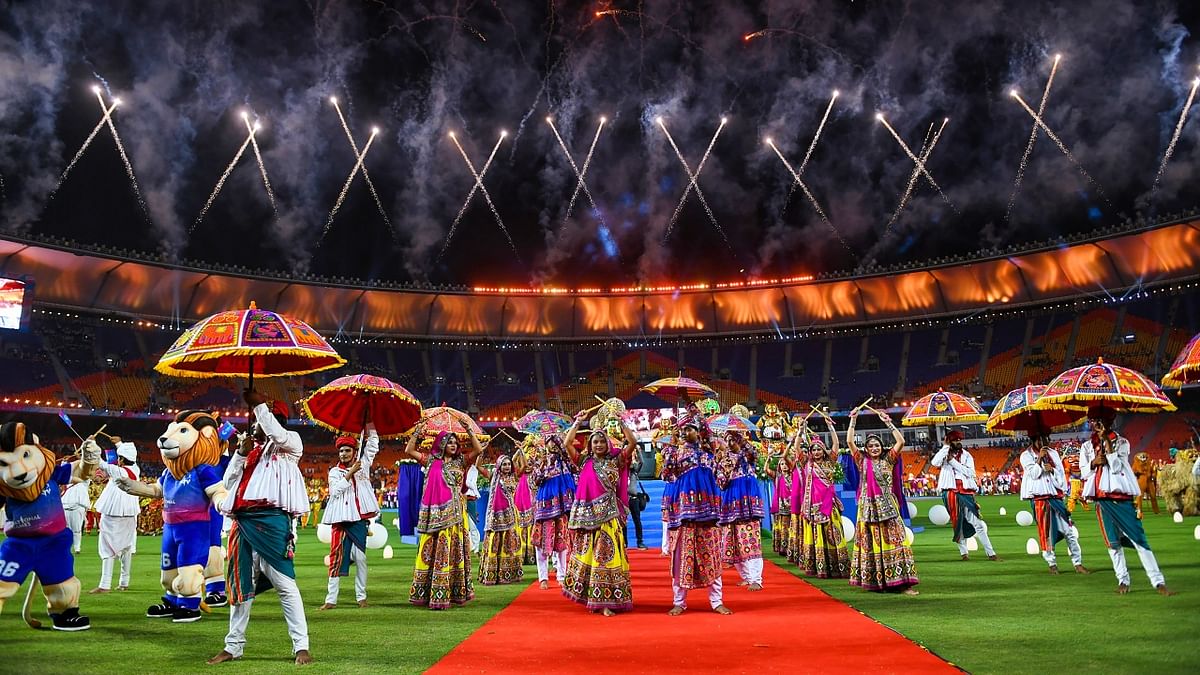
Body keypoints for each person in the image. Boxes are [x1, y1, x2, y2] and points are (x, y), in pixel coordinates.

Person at [208, 392, 311, 666]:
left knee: (285, 585)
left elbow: (276, 434)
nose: (253, 426)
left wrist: (259, 407)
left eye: (257, 422)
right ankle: (233, 646)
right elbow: (229, 482)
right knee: (242, 587)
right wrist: (240, 454)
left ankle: (301, 646)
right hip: (243, 524)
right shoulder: (251, 452)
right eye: (253, 422)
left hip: (272, 522)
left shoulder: (290, 444)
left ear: (271, 420)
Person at [1080, 408, 1173, 595]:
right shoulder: (1087, 447)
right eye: (1093, 421)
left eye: (1100, 421)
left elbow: (1115, 467)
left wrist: (1106, 441)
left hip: (1121, 498)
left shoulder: (1122, 442)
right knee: (1113, 544)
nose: (1096, 425)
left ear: (1109, 422)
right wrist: (1093, 463)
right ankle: (1123, 580)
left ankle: (1158, 581)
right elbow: (1084, 472)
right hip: (1101, 499)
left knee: (1139, 539)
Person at [561, 412, 637, 615]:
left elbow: (633, 442)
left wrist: (622, 422)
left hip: (609, 517)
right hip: (587, 519)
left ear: (608, 444)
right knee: (589, 557)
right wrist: (578, 422)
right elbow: (568, 443)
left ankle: (605, 601)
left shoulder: (616, 460)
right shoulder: (583, 461)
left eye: (602, 441)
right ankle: (592, 598)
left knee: (606, 557)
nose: (599, 445)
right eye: (595, 442)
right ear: (590, 445)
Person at [662, 404, 732, 616]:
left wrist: (690, 406)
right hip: (683, 514)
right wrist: (672, 444)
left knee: (710, 556)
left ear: (698, 431)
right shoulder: (674, 453)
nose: (685, 433)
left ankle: (716, 601)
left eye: (689, 428)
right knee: (679, 560)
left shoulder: (708, 451)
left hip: (708, 515)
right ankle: (679, 602)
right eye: (683, 430)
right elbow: (666, 475)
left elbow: (708, 431)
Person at [404, 422, 484, 609]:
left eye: (455, 442)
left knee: (454, 551)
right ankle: (428, 592)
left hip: (456, 515)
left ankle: (454, 592)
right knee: (432, 552)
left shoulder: (461, 461)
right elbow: (409, 450)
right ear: (441, 444)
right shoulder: (431, 461)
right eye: (449, 442)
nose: (453, 445)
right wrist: (416, 432)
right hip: (434, 516)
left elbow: (478, 450)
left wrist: (469, 431)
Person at [846, 408, 918, 595]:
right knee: (872, 543)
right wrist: (853, 420)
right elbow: (849, 441)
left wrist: (887, 422)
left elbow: (901, 441)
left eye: (877, 445)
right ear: (866, 449)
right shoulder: (861, 461)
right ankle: (879, 582)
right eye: (871, 446)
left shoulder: (889, 460)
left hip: (888, 507)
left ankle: (901, 583)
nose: (874, 448)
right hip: (868, 509)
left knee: (895, 542)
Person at [319, 423, 380, 611]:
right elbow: (334, 492)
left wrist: (369, 424)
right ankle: (331, 599)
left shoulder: (364, 465)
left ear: (354, 451)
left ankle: (361, 596)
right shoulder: (334, 472)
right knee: (336, 558)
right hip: (341, 520)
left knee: (360, 558)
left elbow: (373, 445)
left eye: (347, 450)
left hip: (359, 520)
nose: (344, 454)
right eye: (341, 451)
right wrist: (351, 472)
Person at [1020, 434, 1088, 575]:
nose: (1045, 442)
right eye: (1042, 439)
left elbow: (1061, 476)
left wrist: (1052, 470)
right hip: (1039, 499)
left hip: (1055, 498)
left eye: (1047, 439)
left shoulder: (1054, 453)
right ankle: (1052, 564)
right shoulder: (1025, 456)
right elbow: (1033, 474)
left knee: (1069, 532)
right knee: (1046, 533)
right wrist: (1039, 459)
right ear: (1034, 440)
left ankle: (1078, 563)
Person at [794, 411, 850, 579]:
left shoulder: (829, 461)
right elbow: (797, 447)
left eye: (819, 449)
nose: (817, 452)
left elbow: (836, 444)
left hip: (828, 505)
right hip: (812, 506)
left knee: (833, 533)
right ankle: (820, 567)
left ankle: (838, 566)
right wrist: (800, 429)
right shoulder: (807, 463)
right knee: (817, 536)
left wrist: (830, 426)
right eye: (814, 450)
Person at [930, 430, 999, 562]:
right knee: (957, 522)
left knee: (978, 523)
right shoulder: (944, 453)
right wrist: (945, 448)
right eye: (956, 440)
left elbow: (970, 472)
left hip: (966, 491)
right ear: (949, 441)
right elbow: (935, 463)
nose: (959, 442)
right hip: (950, 491)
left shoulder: (967, 455)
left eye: (960, 440)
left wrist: (953, 462)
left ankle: (991, 553)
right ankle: (964, 553)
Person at [717, 427, 765, 590]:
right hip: (731, 503)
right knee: (734, 542)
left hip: (749, 503)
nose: (730, 443)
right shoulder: (723, 460)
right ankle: (746, 576)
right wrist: (727, 470)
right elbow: (721, 484)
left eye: (733, 439)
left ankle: (756, 579)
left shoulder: (748, 455)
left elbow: (755, 454)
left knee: (750, 540)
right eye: (728, 440)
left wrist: (741, 440)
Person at [91, 440, 141, 593]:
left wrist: (92, 444)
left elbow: (100, 463)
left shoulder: (119, 471)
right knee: (127, 547)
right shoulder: (135, 469)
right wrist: (119, 444)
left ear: (122, 459)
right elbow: (126, 456)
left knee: (106, 547)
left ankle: (104, 585)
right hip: (129, 512)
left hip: (114, 513)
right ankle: (124, 582)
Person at [530, 434, 577, 589]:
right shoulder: (541, 461)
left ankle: (562, 575)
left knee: (561, 541)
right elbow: (534, 481)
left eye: (555, 444)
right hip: (544, 506)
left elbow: (576, 472)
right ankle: (542, 577)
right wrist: (543, 470)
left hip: (562, 506)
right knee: (541, 542)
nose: (552, 447)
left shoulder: (565, 462)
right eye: (549, 444)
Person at [477, 452, 524, 586]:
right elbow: (478, 466)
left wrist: (520, 452)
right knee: (494, 542)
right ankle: (492, 573)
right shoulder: (493, 476)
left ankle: (508, 573)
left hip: (510, 514)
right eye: (504, 464)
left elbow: (524, 465)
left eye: (509, 464)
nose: (507, 466)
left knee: (509, 544)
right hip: (495, 516)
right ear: (498, 465)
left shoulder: (513, 477)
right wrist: (482, 452)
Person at [765, 448, 797, 558]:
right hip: (782, 506)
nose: (784, 466)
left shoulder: (793, 475)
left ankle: (793, 548)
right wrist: (768, 459)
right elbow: (766, 470)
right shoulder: (778, 476)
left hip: (793, 505)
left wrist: (787, 453)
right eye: (782, 464)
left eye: (785, 463)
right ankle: (783, 548)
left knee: (793, 527)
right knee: (784, 527)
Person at [62, 476, 91, 555]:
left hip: (78, 507)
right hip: (65, 507)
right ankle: (67, 547)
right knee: (66, 529)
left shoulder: (83, 484)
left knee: (77, 529)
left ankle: (77, 548)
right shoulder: (66, 484)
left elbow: (87, 474)